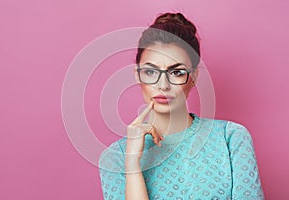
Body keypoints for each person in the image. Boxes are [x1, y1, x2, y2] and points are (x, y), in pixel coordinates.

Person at [99, 12, 264, 199]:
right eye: (151, 72)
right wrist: (132, 166)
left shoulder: (230, 138)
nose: (163, 85)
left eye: (176, 72)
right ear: (138, 75)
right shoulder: (115, 158)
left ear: (193, 77)